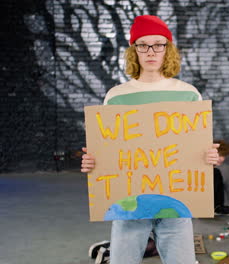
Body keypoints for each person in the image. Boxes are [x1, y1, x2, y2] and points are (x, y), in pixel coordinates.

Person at [81, 15, 219, 264]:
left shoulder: (188, 94)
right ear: (134, 51)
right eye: (143, 45)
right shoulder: (116, 96)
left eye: (158, 44)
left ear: (168, 49)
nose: (151, 51)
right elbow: (108, 151)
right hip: (131, 203)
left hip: (176, 201)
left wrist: (208, 156)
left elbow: (197, 147)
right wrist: (93, 162)